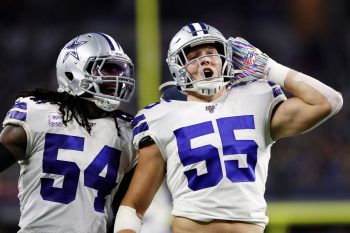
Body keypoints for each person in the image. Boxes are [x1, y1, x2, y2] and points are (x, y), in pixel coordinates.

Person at [114, 22, 343, 233]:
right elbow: (133, 206)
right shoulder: (161, 116)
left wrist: (271, 68)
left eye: (211, 53)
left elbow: (328, 101)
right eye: (193, 56)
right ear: (178, 67)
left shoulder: (256, 98)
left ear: (226, 58)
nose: (205, 60)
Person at [0, 32, 138, 233]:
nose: (116, 78)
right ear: (74, 69)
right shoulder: (38, 112)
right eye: (108, 69)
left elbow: (122, 211)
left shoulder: (126, 132)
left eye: (119, 70)